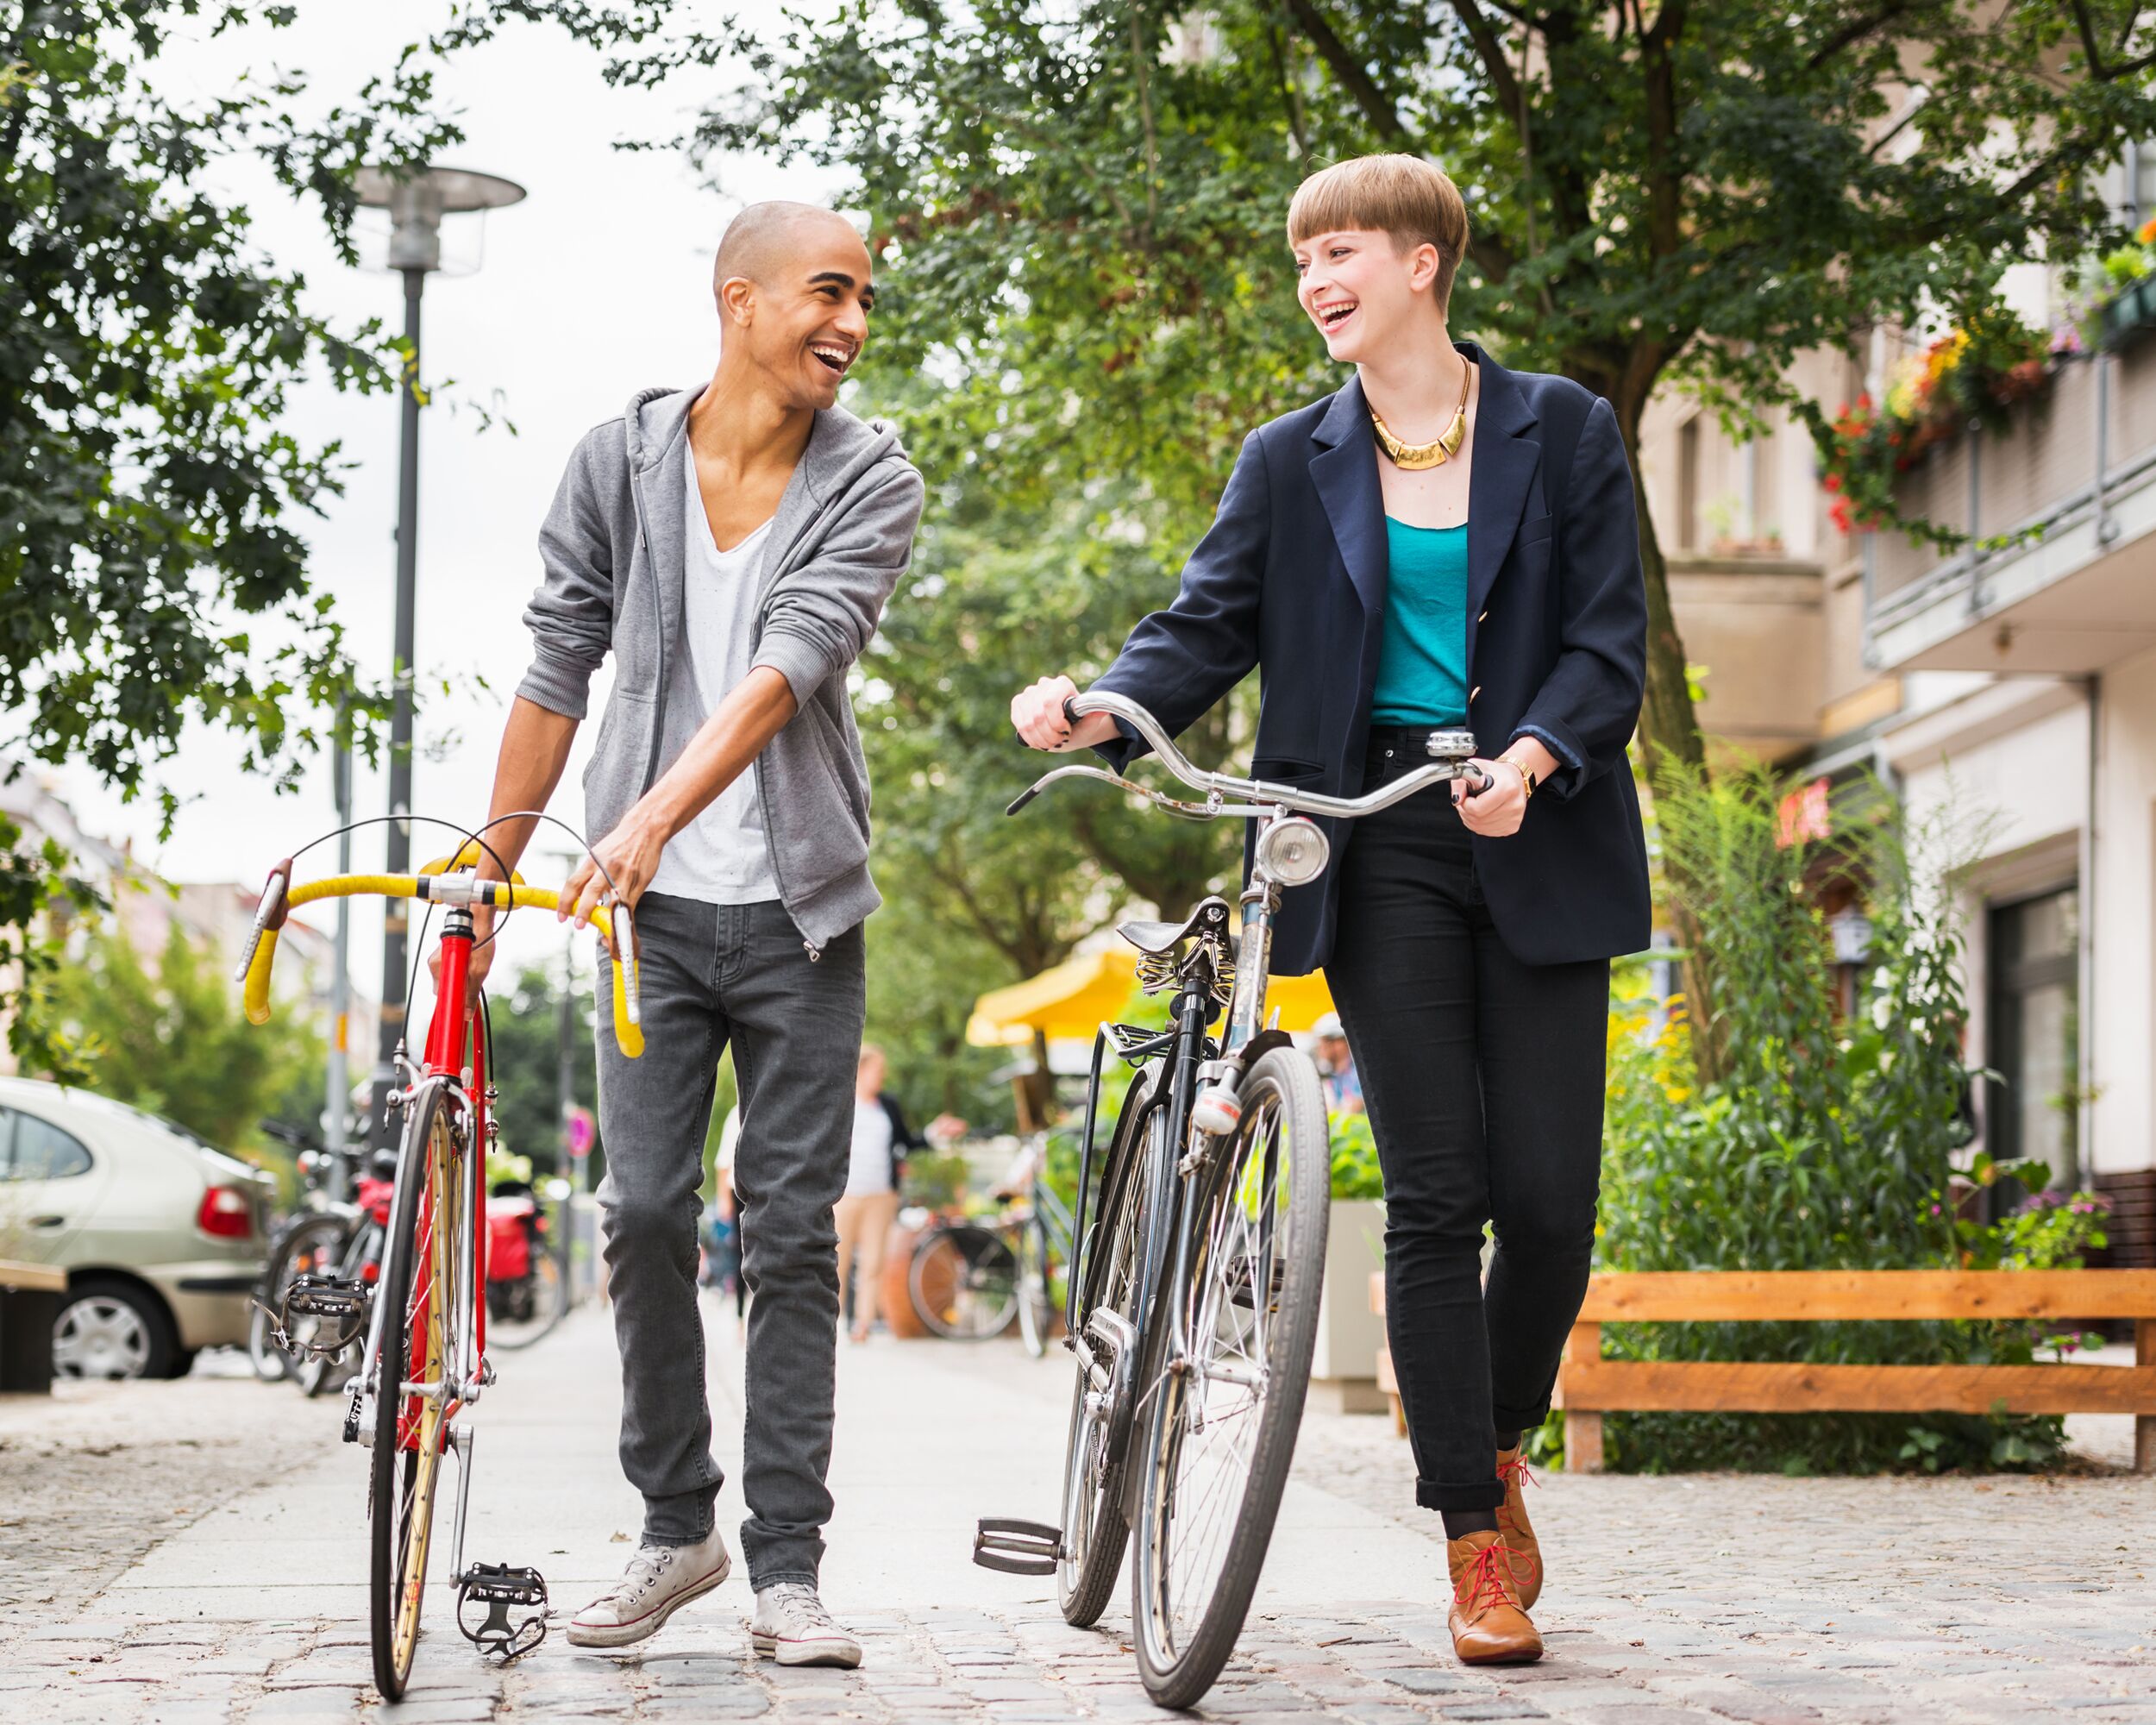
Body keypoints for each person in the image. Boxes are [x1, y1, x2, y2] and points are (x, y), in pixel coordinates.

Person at [1011, 154, 1649, 1667]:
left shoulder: (1562, 429)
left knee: (1552, 1206)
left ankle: (1493, 1442)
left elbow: (1609, 637)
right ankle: (1471, 1541)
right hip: (1372, 843)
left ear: (1422, 263)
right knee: (1437, 1194)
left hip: (1533, 824)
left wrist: (1541, 751)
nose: (1314, 279)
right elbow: (1205, 624)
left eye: (1340, 249)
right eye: (1303, 256)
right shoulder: (1288, 457)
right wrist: (1101, 706)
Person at [451, 199, 924, 1667]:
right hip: (648, 929)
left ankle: (789, 1570)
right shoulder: (619, 462)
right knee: (645, 1214)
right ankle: (679, 1530)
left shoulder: (873, 479)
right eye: (827, 294)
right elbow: (556, 664)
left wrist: (651, 811)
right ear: (741, 299)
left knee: (789, 1239)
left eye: (862, 301)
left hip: (798, 918)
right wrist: (494, 858)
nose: (849, 324)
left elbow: (793, 665)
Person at [834, 1044, 923, 1341]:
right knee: (837, 1260)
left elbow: (906, 1142)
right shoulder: (841, 1102)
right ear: (861, 1069)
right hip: (844, 1193)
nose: (882, 1076)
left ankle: (863, 1324)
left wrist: (933, 1135)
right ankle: (831, 1323)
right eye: (878, 1070)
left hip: (881, 1195)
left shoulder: (888, 1105)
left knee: (873, 1261)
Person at [1312, 1011, 1364, 1115]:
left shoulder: (1359, 1073)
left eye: (1325, 1041)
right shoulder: (1333, 1076)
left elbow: (1355, 1107)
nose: (1320, 1047)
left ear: (1341, 1043)